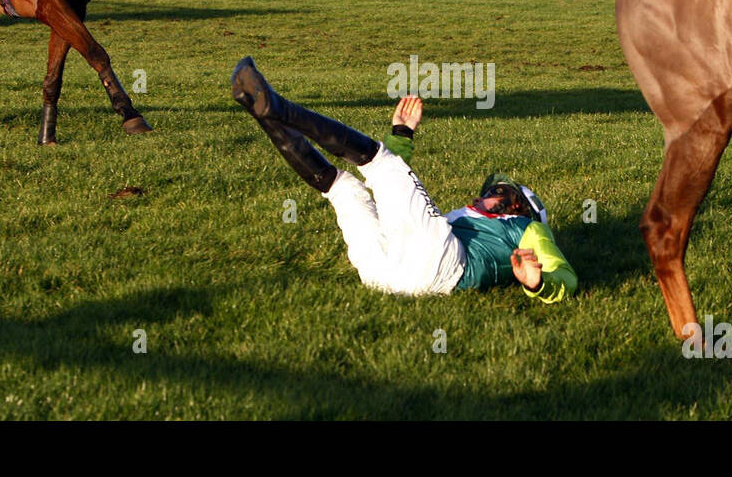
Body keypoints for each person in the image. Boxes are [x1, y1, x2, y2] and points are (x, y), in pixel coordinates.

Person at [232, 56, 577, 302]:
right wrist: (401, 133)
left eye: (498, 191)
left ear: (516, 206)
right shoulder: (465, 219)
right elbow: (399, 201)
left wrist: (537, 284)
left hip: (443, 264)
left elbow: (567, 278)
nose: (486, 194)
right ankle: (258, 108)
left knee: (379, 162)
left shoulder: (530, 230)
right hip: (383, 277)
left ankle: (279, 107)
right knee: (343, 189)